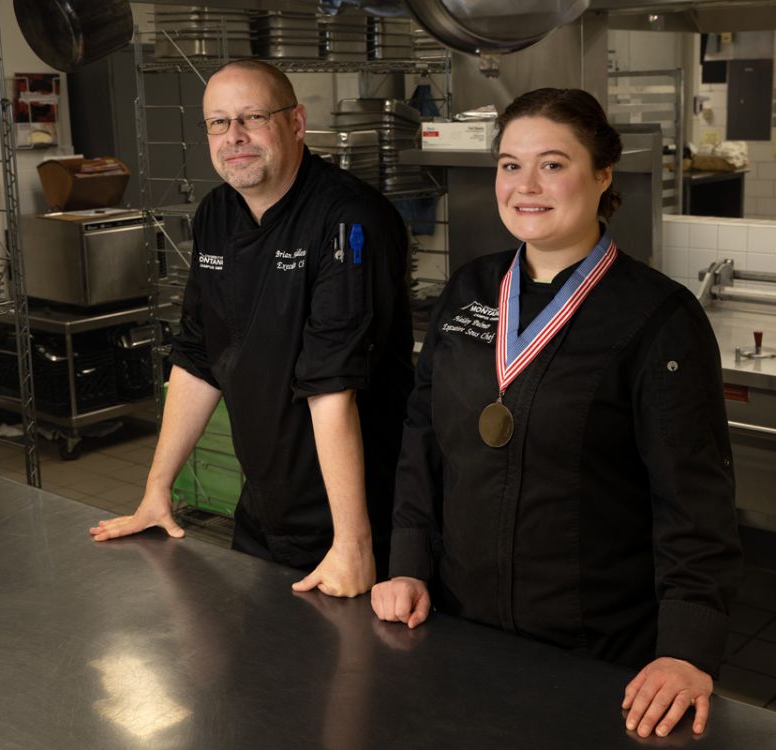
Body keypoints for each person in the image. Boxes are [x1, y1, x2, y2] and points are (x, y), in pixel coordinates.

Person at [371, 88, 742, 738]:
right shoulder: (470, 289)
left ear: (603, 174)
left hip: (594, 653)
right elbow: (423, 441)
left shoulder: (658, 318)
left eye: (552, 163)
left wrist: (685, 650)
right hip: (454, 630)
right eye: (510, 165)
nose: (526, 185)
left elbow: (695, 505)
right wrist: (405, 563)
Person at [90, 60, 414, 598]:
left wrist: (353, 545)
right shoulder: (217, 213)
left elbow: (332, 386)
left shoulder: (350, 220)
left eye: (253, 117)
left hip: (358, 518)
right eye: (218, 123)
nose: (233, 136)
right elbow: (198, 355)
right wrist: (156, 490)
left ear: (296, 122)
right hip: (264, 508)